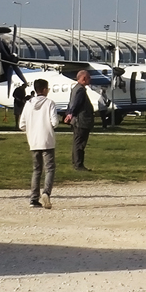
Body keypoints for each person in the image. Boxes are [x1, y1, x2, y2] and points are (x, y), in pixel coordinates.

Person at [19, 78, 58, 209]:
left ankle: (33, 198)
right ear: (45, 89)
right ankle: (46, 192)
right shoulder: (49, 103)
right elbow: (55, 122)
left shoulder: (28, 103)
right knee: (50, 168)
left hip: (34, 140)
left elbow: (22, 124)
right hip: (47, 140)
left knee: (37, 170)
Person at [66, 69, 95, 171]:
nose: (90, 79)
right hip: (81, 121)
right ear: (83, 78)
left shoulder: (75, 89)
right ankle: (79, 164)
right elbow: (76, 104)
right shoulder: (80, 90)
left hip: (76, 120)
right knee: (80, 143)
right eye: (88, 77)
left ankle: (76, 163)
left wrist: (69, 114)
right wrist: (71, 114)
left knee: (77, 142)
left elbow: (70, 103)